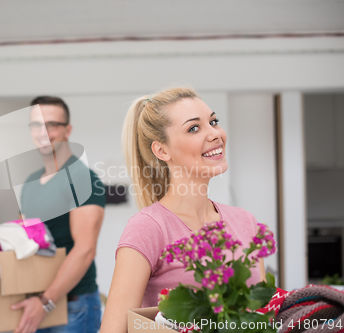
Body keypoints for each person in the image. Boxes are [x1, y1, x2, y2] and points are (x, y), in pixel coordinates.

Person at [99, 87, 267, 333]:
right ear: (162, 151)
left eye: (213, 121)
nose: (215, 134)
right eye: (194, 128)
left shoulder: (245, 222)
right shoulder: (148, 228)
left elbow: (264, 313)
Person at [11, 96, 106, 333]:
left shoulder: (82, 178)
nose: (44, 132)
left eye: (52, 124)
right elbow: (26, 241)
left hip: (73, 307)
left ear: (67, 130)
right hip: (37, 304)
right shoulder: (30, 182)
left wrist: (45, 302)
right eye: (37, 125)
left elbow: (85, 250)